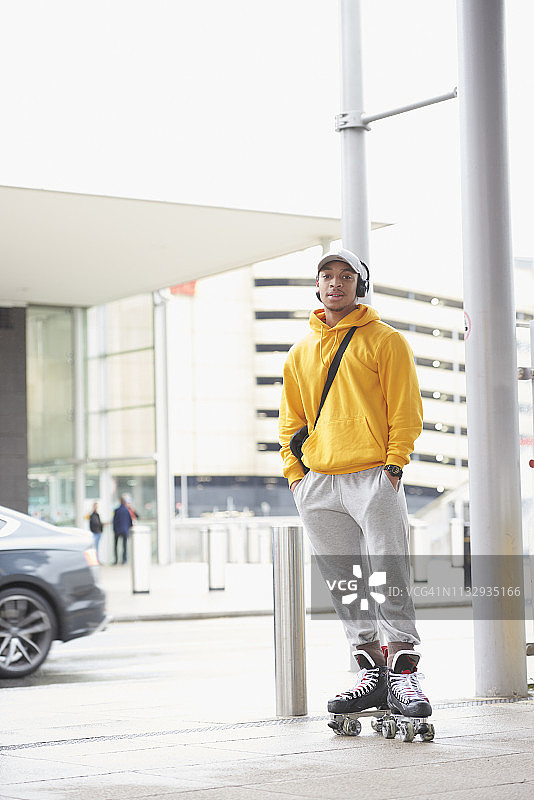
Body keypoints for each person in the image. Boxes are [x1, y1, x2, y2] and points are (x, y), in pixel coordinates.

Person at [279, 248, 432, 720]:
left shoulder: (386, 341)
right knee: (347, 582)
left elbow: (405, 408)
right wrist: (296, 476)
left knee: (388, 572)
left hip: (374, 475)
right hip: (319, 482)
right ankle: (370, 672)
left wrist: (394, 463)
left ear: (360, 286)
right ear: (318, 286)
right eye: (327, 276)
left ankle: (404, 674)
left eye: (347, 276)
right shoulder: (300, 352)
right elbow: (291, 421)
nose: (336, 284)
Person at [112, 497, 132, 565]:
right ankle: (124, 560)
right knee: (124, 546)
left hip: (117, 531)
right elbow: (130, 521)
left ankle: (116, 560)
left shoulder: (116, 510)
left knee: (116, 546)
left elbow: (114, 521)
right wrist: (129, 529)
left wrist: (114, 530)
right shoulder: (126, 510)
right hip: (125, 531)